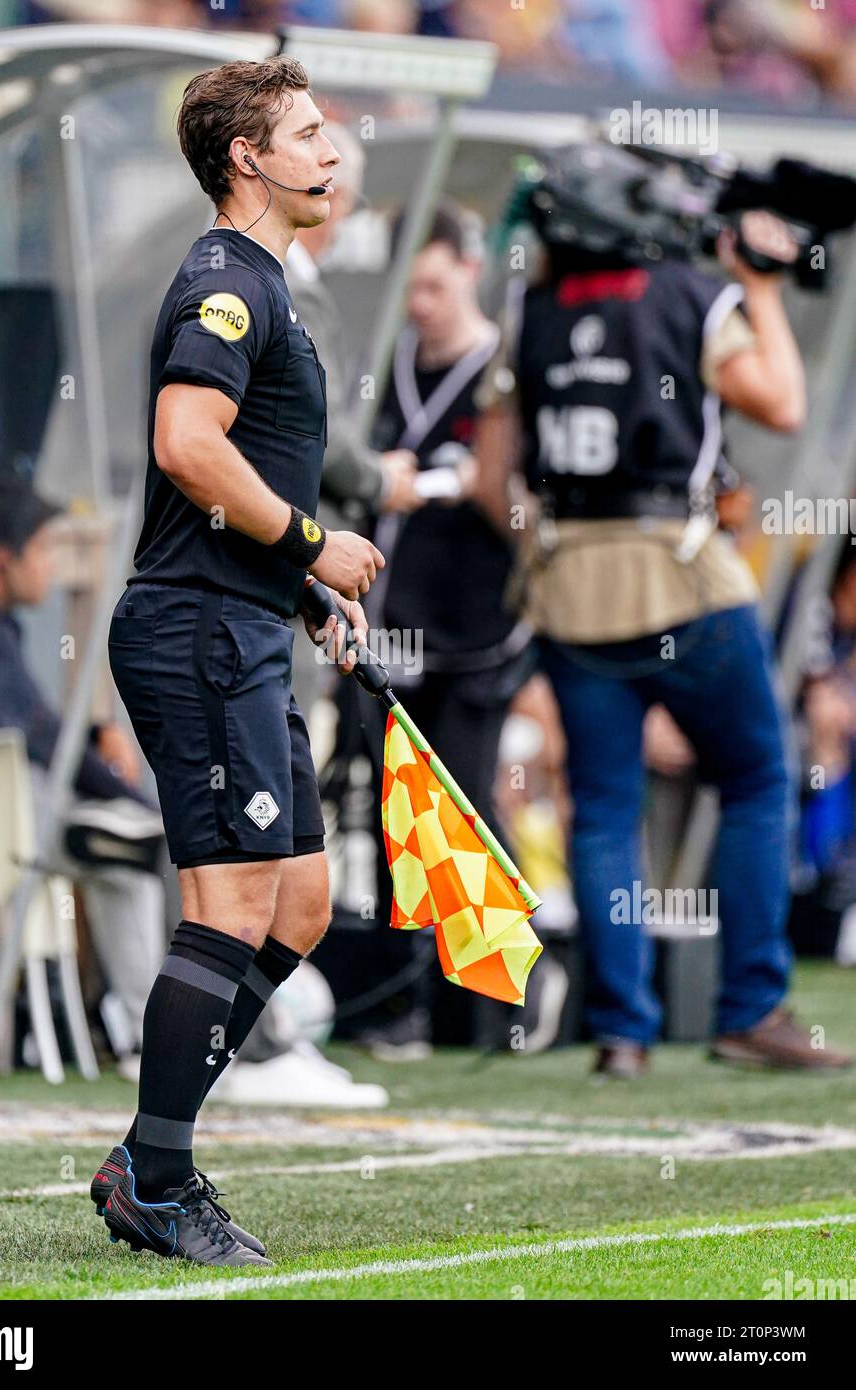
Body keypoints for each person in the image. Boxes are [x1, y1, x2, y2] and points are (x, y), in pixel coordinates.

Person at [94, 56, 386, 1268]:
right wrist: (316, 539)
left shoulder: (262, 283)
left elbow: (232, 478)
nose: (332, 150)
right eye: (308, 132)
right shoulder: (226, 282)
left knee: (301, 905)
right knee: (227, 904)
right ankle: (158, 1178)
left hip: (242, 619)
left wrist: (296, 582)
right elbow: (183, 442)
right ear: (246, 159)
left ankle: (144, 1154)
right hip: (195, 632)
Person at [476, 156, 852, 1078]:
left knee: (603, 809)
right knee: (759, 779)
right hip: (682, 579)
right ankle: (750, 1010)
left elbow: (494, 481)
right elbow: (784, 400)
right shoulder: (689, 293)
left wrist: (554, 547)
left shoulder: (534, 313)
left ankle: (623, 1033)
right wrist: (759, 285)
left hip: (569, 587)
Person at [0, 470, 168, 1077]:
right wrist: (139, 801)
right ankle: (156, 1035)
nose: (52, 565)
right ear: (2, 559)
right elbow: (36, 737)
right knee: (135, 844)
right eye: (44, 549)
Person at [353, 201, 532, 1055]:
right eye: (408, 287)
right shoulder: (389, 367)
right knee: (395, 821)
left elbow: (526, 501)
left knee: (471, 813)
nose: (420, 303)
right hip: (393, 628)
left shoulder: (504, 367)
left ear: (468, 268)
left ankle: (487, 1011)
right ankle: (401, 1005)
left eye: (433, 283)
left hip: (479, 628)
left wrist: (490, 491)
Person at [285, 119, 420, 724]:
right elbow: (322, 437)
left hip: (286, 577)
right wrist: (381, 481)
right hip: (279, 573)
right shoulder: (284, 288)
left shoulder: (271, 280)